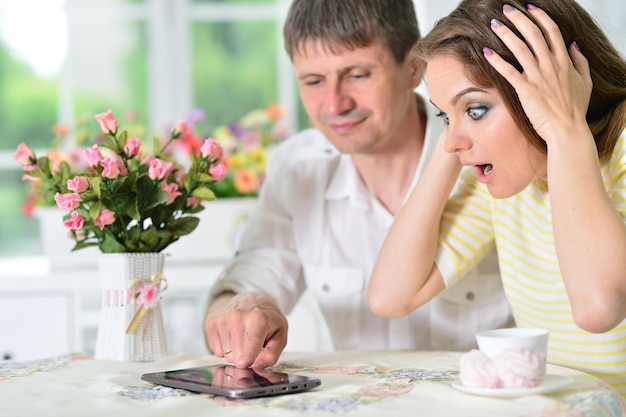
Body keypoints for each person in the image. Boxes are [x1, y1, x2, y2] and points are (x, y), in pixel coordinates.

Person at [204, 0, 514, 371]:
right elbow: (247, 282)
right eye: (314, 81)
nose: (334, 104)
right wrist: (241, 311)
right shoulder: (298, 169)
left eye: (358, 74)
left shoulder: (490, 157)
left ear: (414, 66)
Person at [368, 0, 626, 396]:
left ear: (551, 86)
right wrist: (457, 124)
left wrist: (565, 129)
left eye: (476, 108)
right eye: (442, 116)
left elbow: (597, 308)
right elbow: (390, 296)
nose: (451, 141)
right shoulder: (508, 181)